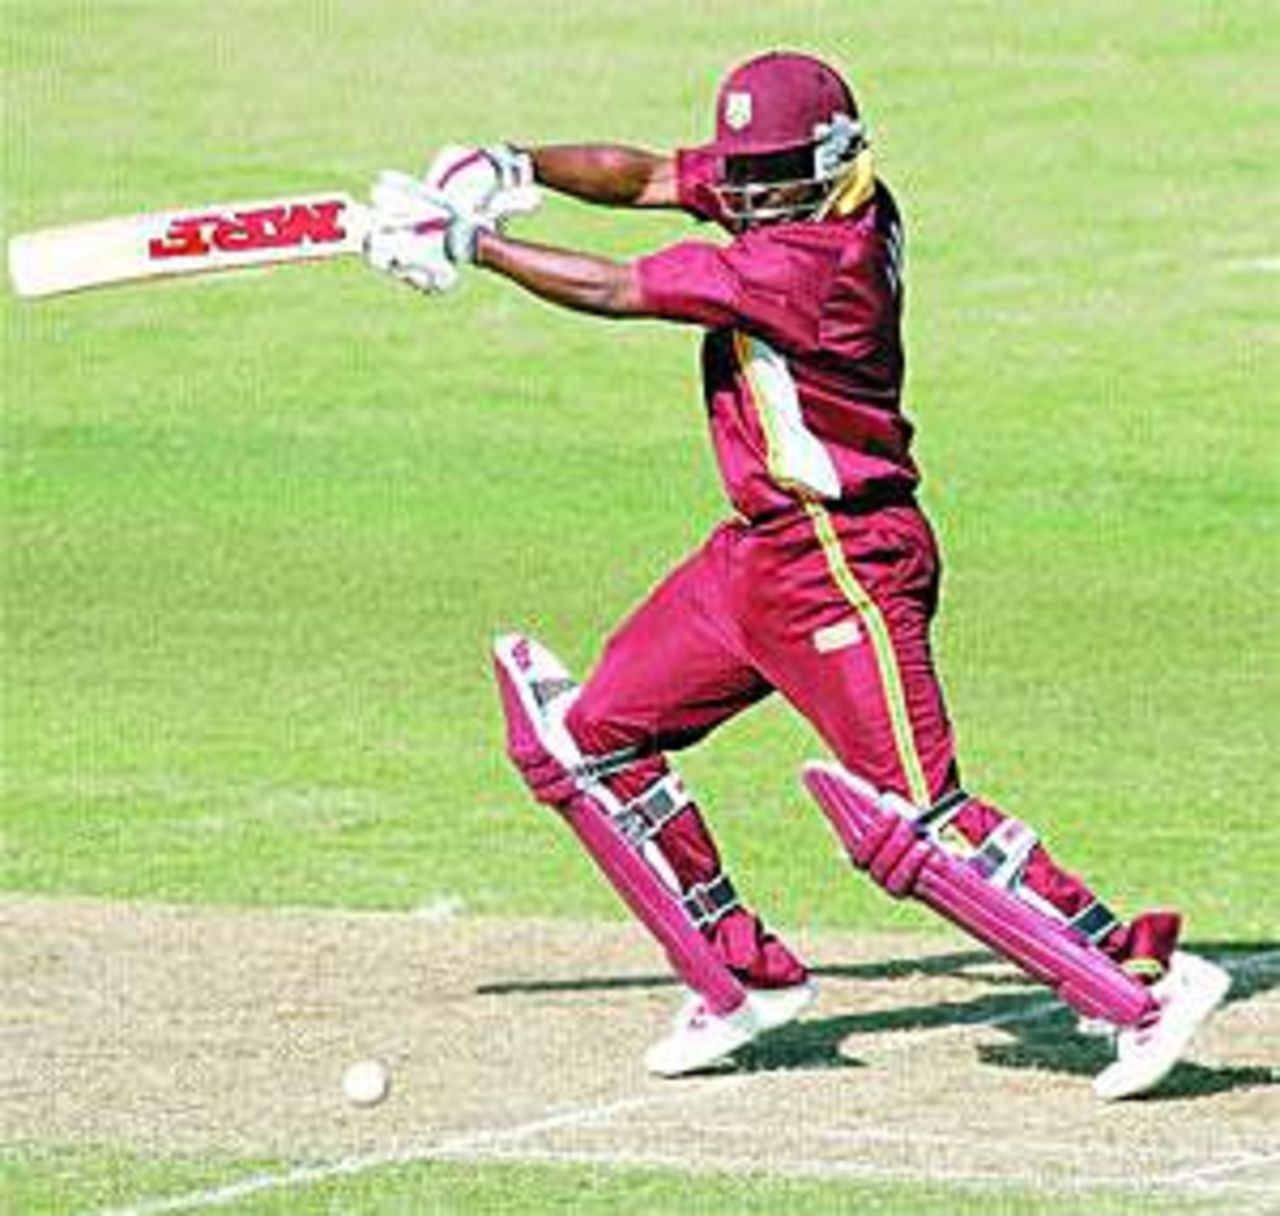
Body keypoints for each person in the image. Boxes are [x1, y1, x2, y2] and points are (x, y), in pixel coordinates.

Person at [363, 51, 1230, 1099]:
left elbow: (620, 286)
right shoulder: (793, 185)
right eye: (744, 176)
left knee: (915, 821)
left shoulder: (814, 264)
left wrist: (473, 244)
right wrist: (509, 165)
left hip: (846, 562)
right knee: (589, 741)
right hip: (758, 557)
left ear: (834, 161)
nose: (751, 198)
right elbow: (650, 176)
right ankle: (741, 976)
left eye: (772, 180)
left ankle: (1144, 980)